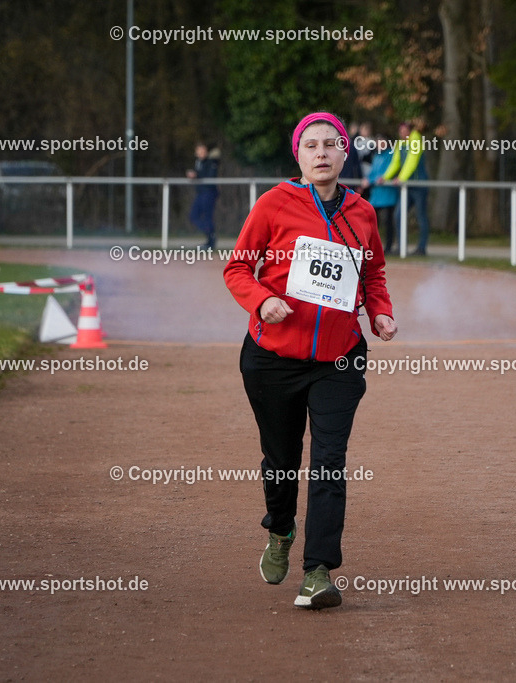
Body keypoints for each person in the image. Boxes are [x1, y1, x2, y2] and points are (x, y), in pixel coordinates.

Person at [223, 112, 397, 610]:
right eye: (311, 145)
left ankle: (318, 571)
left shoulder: (362, 213)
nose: (321, 152)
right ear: (298, 156)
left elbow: (374, 274)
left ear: (346, 154)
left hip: (338, 360)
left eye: (331, 144)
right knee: (281, 462)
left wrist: (380, 314)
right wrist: (261, 301)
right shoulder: (274, 204)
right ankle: (280, 529)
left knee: (329, 463)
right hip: (272, 357)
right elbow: (238, 267)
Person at [384, 120, 430, 256]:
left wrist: (401, 178)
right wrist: (385, 177)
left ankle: (421, 248)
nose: (402, 133)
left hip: (419, 185)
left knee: (421, 216)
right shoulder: (400, 144)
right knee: (398, 215)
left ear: (410, 131)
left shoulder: (416, 141)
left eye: (404, 131)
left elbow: (412, 161)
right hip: (406, 187)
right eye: (401, 131)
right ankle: (401, 247)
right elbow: (396, 163)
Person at [367, 134, 398, 254]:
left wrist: (371, 180)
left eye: (382, 142)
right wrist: (368, 179)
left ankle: (389, 247)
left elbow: (384, 172)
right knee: (373, 221)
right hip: (377, 194)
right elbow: (373, 171)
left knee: (389, 221)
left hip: (388, 193)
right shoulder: (376, 156)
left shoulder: (390, 154)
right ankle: (373, 246)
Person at [186, 142, 220, 249]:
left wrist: (196, 175)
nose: (201, 153)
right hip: (201, 193)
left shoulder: (211, 162)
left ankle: (211, 241)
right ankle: (210, 235)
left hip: (209, 192)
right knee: (193, 216)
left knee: (207, 217)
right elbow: (197, 173)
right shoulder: (198, 162)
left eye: (203, 151)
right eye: (199, 151)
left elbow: (211, 176)